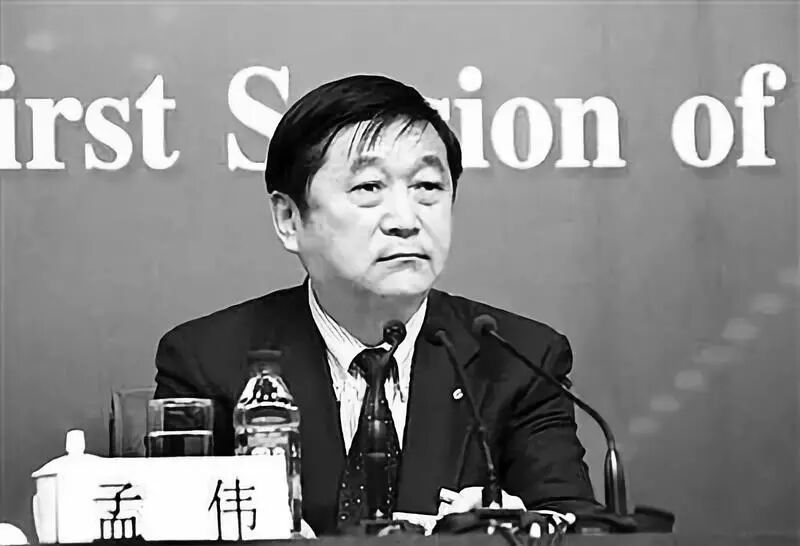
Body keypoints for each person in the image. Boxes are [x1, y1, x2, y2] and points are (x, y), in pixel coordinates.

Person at [153, 74, 598, 536]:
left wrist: (515, 526)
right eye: (368, 187)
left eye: (428, 186)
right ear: (289, 218)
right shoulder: (208, 362)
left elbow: (576, 523)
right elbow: (172, 528)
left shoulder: (517, 360)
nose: (406, 220)